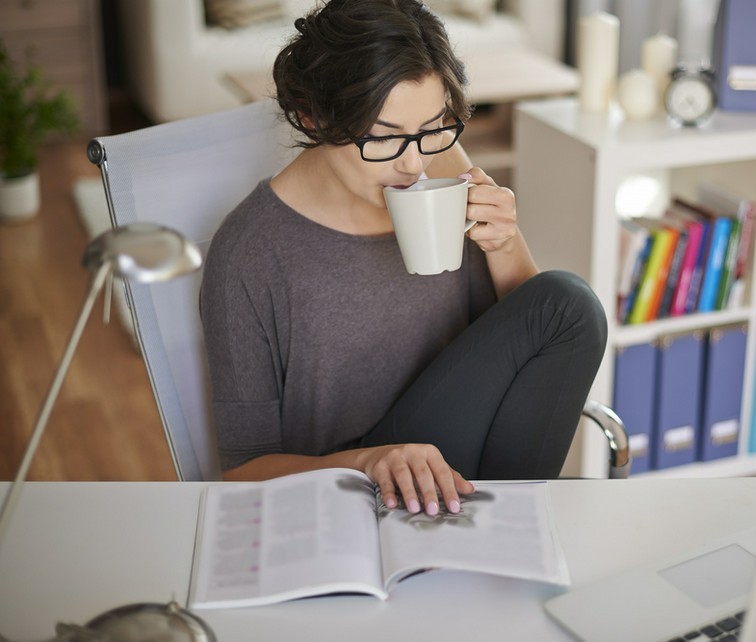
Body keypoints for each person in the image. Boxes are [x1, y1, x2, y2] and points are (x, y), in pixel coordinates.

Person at [199, 0, 607, 517]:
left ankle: (499, 529)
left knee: (568, 304)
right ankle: (503, 529)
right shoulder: (250, 252)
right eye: (385, 137)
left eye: (432, 128)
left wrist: (504, 243)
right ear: (311, 114)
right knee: (565, 304)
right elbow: (242, 472)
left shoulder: (440, 168)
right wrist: (371, 460)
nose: (414, 162)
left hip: (462, 467)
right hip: (349, 491)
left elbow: (537, 336)